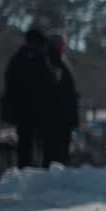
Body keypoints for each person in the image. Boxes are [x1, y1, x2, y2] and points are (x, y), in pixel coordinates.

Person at [1, 28, 57, 168]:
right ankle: (36, 173)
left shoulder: (17, 58)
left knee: (25, 145)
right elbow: (48, 82)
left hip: (22, 110)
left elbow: (10, 83)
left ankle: (25, 170)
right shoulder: (38, 58)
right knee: (40, 145)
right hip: (37, 110)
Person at [44, 33, 79, 166]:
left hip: (62, 116)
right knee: (55, 152)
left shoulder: (60, 62)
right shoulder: (52, 62)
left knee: (60, 151)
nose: (63, 46)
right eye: (60, 44)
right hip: (57, 117)